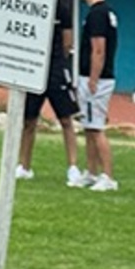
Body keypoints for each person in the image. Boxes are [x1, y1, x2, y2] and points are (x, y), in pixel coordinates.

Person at [16, 17, 84, 185]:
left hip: (56, 70)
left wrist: (58, 62)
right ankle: (24, 166)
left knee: (66, 119)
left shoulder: (62, 9)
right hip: (35, 69)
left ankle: (73, 167)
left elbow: (67, 43)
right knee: (29, 120)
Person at [74, 0, 119, 192]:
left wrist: (93, 79)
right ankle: (91, 172)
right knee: (89, 126)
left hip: (97, 79)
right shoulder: (104, 12)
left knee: (96, 127)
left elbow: (98, 49)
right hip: (94, 77)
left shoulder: (98, 14)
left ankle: (107, 175)